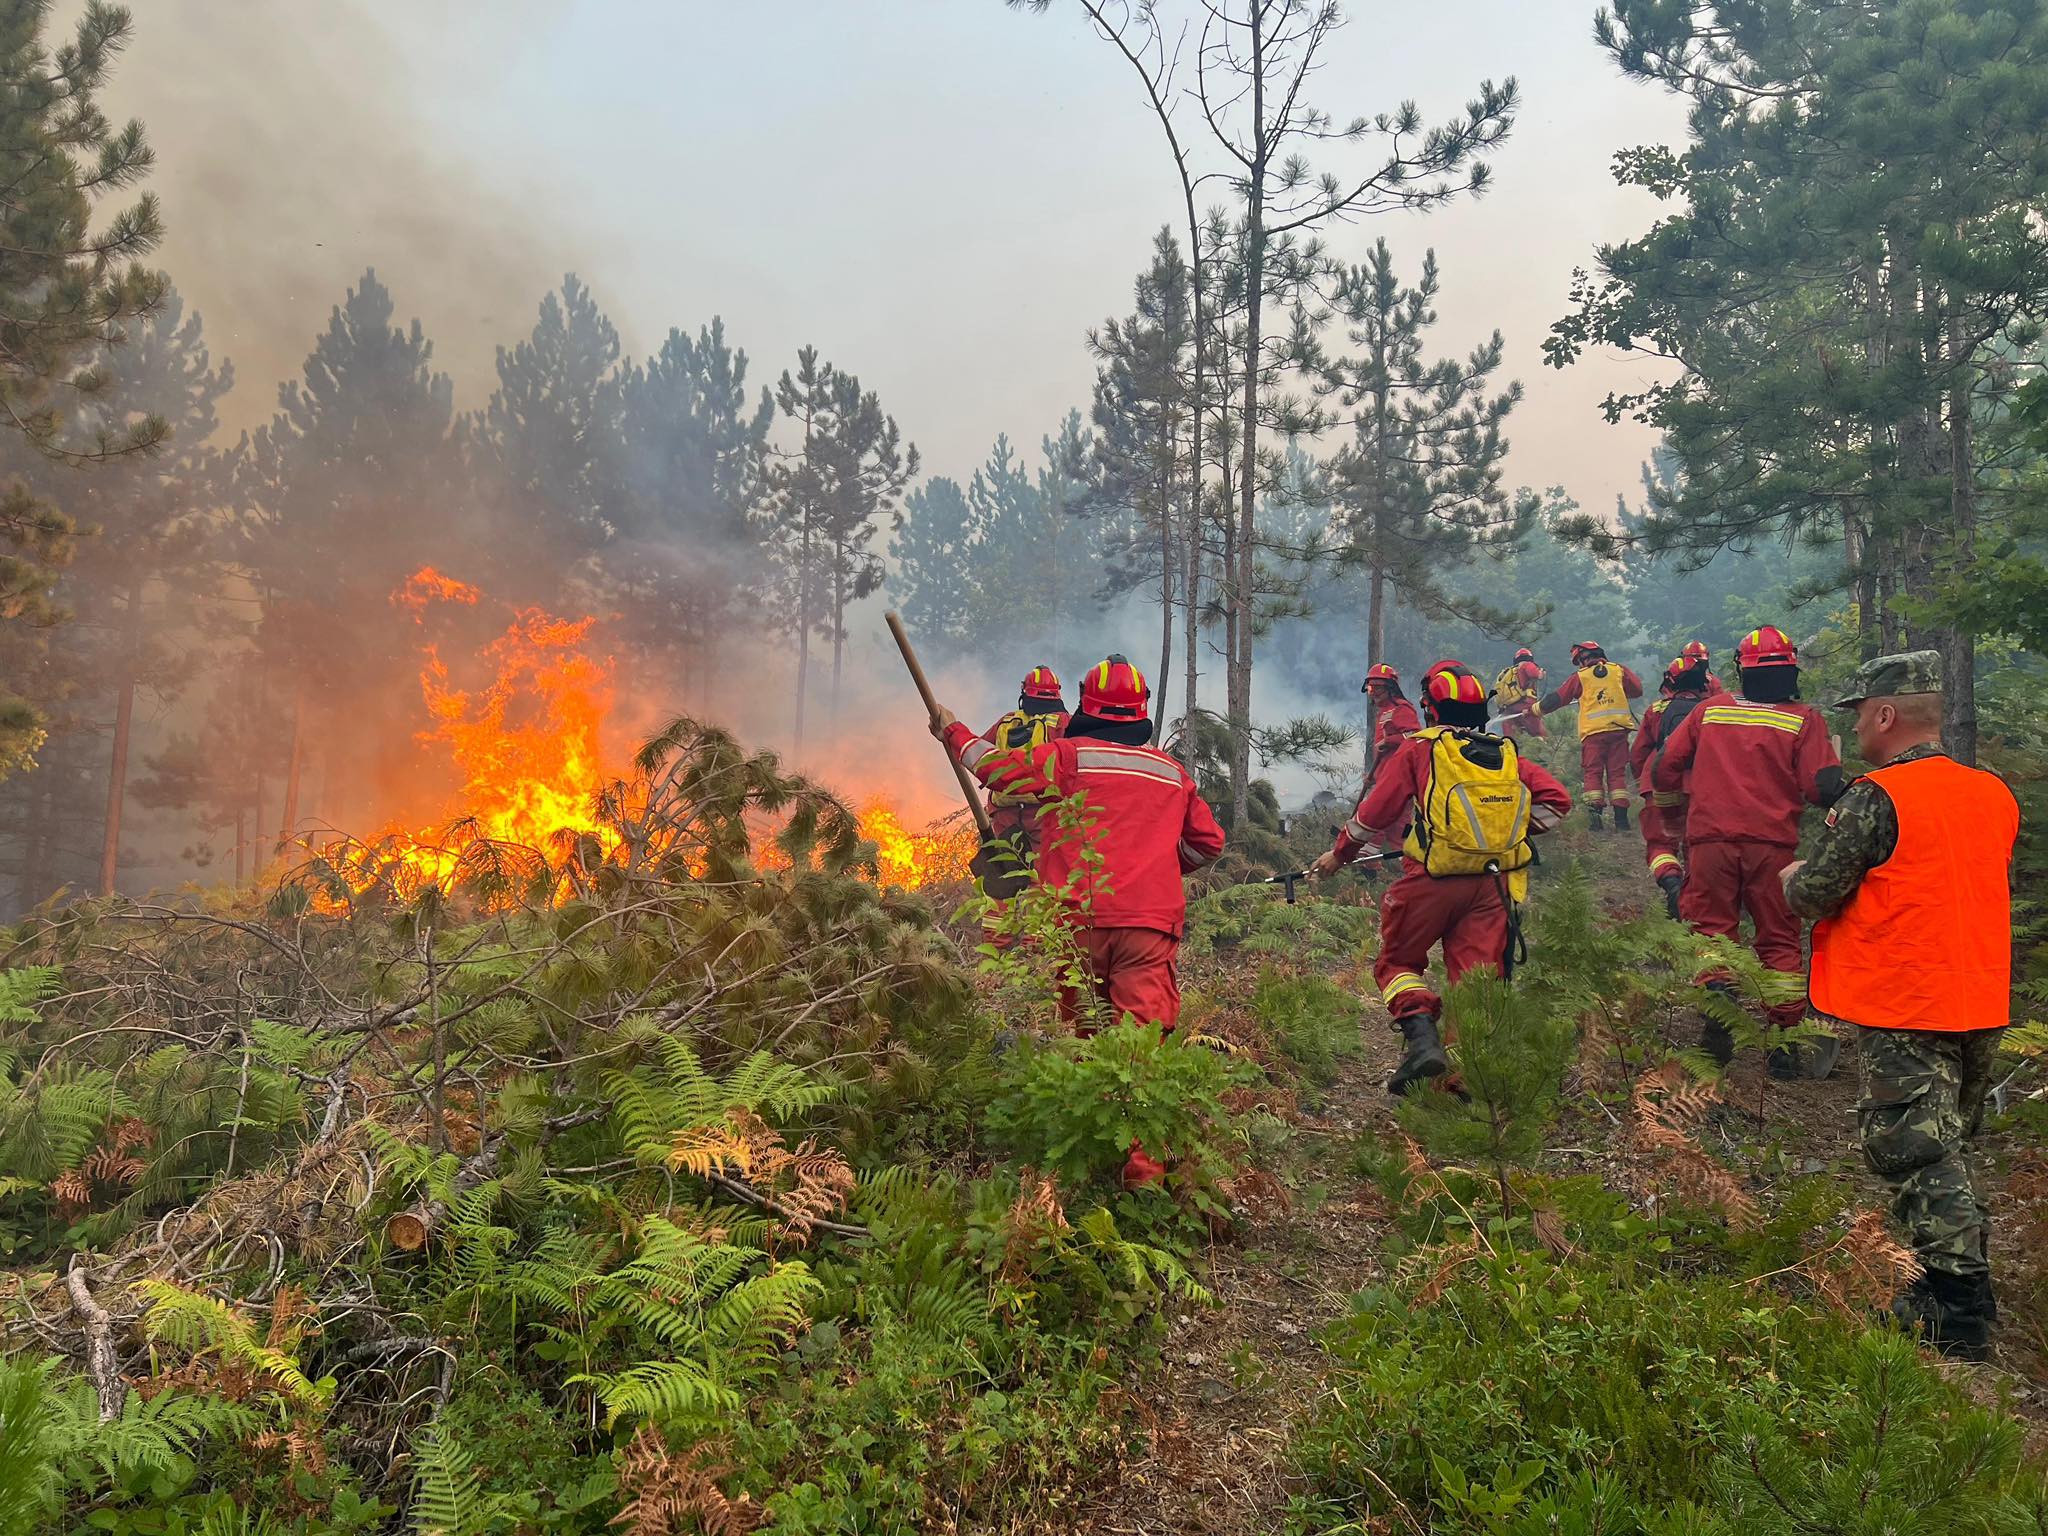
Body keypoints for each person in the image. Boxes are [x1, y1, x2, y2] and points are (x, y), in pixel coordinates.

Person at [1785, 651, 2018, 1360]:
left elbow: (1818, 890)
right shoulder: (1991, 792)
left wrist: (1792, 876)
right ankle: (1964, 1285)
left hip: (1907, 998)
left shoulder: (1876, 797)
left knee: (1914, 1150)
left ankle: (1954, 1305)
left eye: (1860, 714)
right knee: (1949, 1145)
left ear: (1886, 715)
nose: (1856, 727)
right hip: (1978, 993)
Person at [932, 654, 1226, 1183]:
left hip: (1077, 925)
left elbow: (996, 769)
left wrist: (952, 730)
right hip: (1148, 928)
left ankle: (1088, 1158)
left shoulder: (1067, 757)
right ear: (1141, 712)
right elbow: (1208, 843)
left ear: (1086, 706)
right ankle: (1142, 1180)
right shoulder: (1171, 772)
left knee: (1086, 1035)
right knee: (1140, 1046)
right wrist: (1162, 865)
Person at [1311, 661, 1572, 1094]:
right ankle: (1463, 1081)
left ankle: (1422, 1042)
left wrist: (1340, 854)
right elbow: (1558, 801)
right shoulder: (1506, 754)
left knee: (1397, 963)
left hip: (1432, 880)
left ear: (1429, 708)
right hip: (1491, 887)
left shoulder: (1421, 749)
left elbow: (1373, 814)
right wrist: (1505, 834)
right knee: (1474, 983)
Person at [1652, 625, 1839, 1073]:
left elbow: (1664, 766)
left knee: (1712, 930)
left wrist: (1674, 819)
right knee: (1778, 938)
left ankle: (1719, 1007)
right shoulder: (1804, 719)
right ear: (1791, 668)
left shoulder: (1711, 710)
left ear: (1742, 669)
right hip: (1773, 849)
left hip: (1710, 843)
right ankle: (1784, 1048)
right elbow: (1820, 788)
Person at [1632, 654, 1710, 917]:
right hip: (1698, 785)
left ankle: (1672, 885)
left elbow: (1639, 753)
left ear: (1671, 681)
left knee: (1660, 844)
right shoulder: (1711, 711)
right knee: (1694, 845)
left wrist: (1642, 781)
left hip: (1657, 783)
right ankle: (1693, 899)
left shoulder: (1656, 710)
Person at [1536, 641, 1643, 831]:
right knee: (1617, 775)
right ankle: (1621, 822)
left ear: (1582, 659)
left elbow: (1557, 699)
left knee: (1593, 774)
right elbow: (1637, 690)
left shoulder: (1581, 677)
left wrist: (1534, 710)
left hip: (1593, 735)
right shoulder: (1618, 670)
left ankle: (1596, 823)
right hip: (1618, 732)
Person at [979, 665, 1072, 865]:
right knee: (1044, 872)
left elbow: (980, 756)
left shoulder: (1007, 722)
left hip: (1004, 815)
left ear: (1024, 691)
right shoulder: (1063, 722)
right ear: (1057, 693)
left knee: (1008, 871)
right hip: (1045, 815)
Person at [1362, 662, 1423, 784]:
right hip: (1387, 779)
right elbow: (1385, 757)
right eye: (1371, 689)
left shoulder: (1401, 708)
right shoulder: (1383, 712)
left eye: (1378, 688)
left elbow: (1415, 736)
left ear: (1390, 688)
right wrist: (1375, 776)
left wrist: (1389, 741)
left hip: (1400, 780)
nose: (1374, 693)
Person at [1493, 647, 1547, 739]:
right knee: (1541, 736)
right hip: (1526, 707)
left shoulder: (1508, 673)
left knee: (1510, 741)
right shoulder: (1526, 665)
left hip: (1508, 711)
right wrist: (1541, 672)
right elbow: (1537, 675)